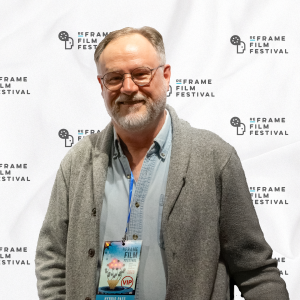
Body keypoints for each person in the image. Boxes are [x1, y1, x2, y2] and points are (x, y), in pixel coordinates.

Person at [35, 26, 289, 300]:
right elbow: (52, 257)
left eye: (141, 74)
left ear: (165, 76)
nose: (129, 87)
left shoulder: (215, 158)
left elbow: (256, 271)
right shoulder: (78, 163)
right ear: (101, 85)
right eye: (115, 77)